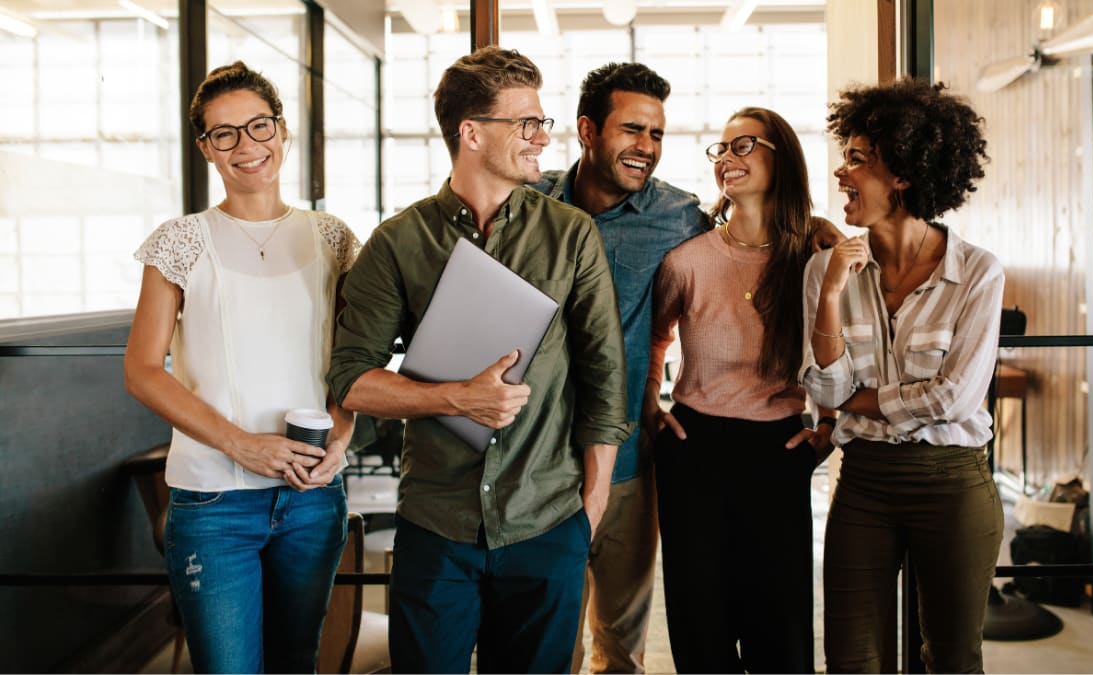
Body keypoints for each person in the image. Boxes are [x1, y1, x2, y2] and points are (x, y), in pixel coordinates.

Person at [325, 46, 630, 674]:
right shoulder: (399, 241)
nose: (541, 138)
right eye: (526, 124)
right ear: (471, 133)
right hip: (437, 524)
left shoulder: (571, 234)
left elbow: (605, 380)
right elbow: (351, 378)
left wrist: (590, 508)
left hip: (547, 521)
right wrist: (455, 397)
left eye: (541, 123)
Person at [124, 61, 359, 673]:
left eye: (259, 126)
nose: (246, 146)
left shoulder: (333, 237)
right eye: (223, 133)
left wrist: (343, 432)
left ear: (282, 132)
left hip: (311, 498)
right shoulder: (180, 240)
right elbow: (143, 370)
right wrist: (243, 445)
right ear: (205, 147)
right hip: (213, 503)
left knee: (296, 662)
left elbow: (356, 357)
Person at [802, 77, 1003, 673]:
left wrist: (857, 398)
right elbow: (825, 390)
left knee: (952, 658)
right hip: (863, 482)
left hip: (953, 482)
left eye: (858, 160)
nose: (841, 173)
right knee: (851, 658)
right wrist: (835, 289)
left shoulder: (978, 273)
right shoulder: (825, 271)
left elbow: (957, 399)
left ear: (905, 174)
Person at [531, 62, 709, 674]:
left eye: (657, 134)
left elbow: (758, 246)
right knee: (548, 647)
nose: (647, 148)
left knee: (621, 649)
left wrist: (815, 231)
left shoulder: (680, 218)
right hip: (536, 465)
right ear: (587, 130)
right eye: (633, 130)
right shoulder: (527, 206)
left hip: (631, 460)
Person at [644, 106, 837, 674]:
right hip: (694, 448)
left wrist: (827, 425)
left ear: (783, 158)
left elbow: (844, 350)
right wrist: (650, 404)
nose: (727, 158)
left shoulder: (814, 256)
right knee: (700, 625)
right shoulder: (687, 260)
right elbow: (655, 338)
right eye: (721, 149)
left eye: (744, 145)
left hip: (778, 451)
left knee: (780, 627)